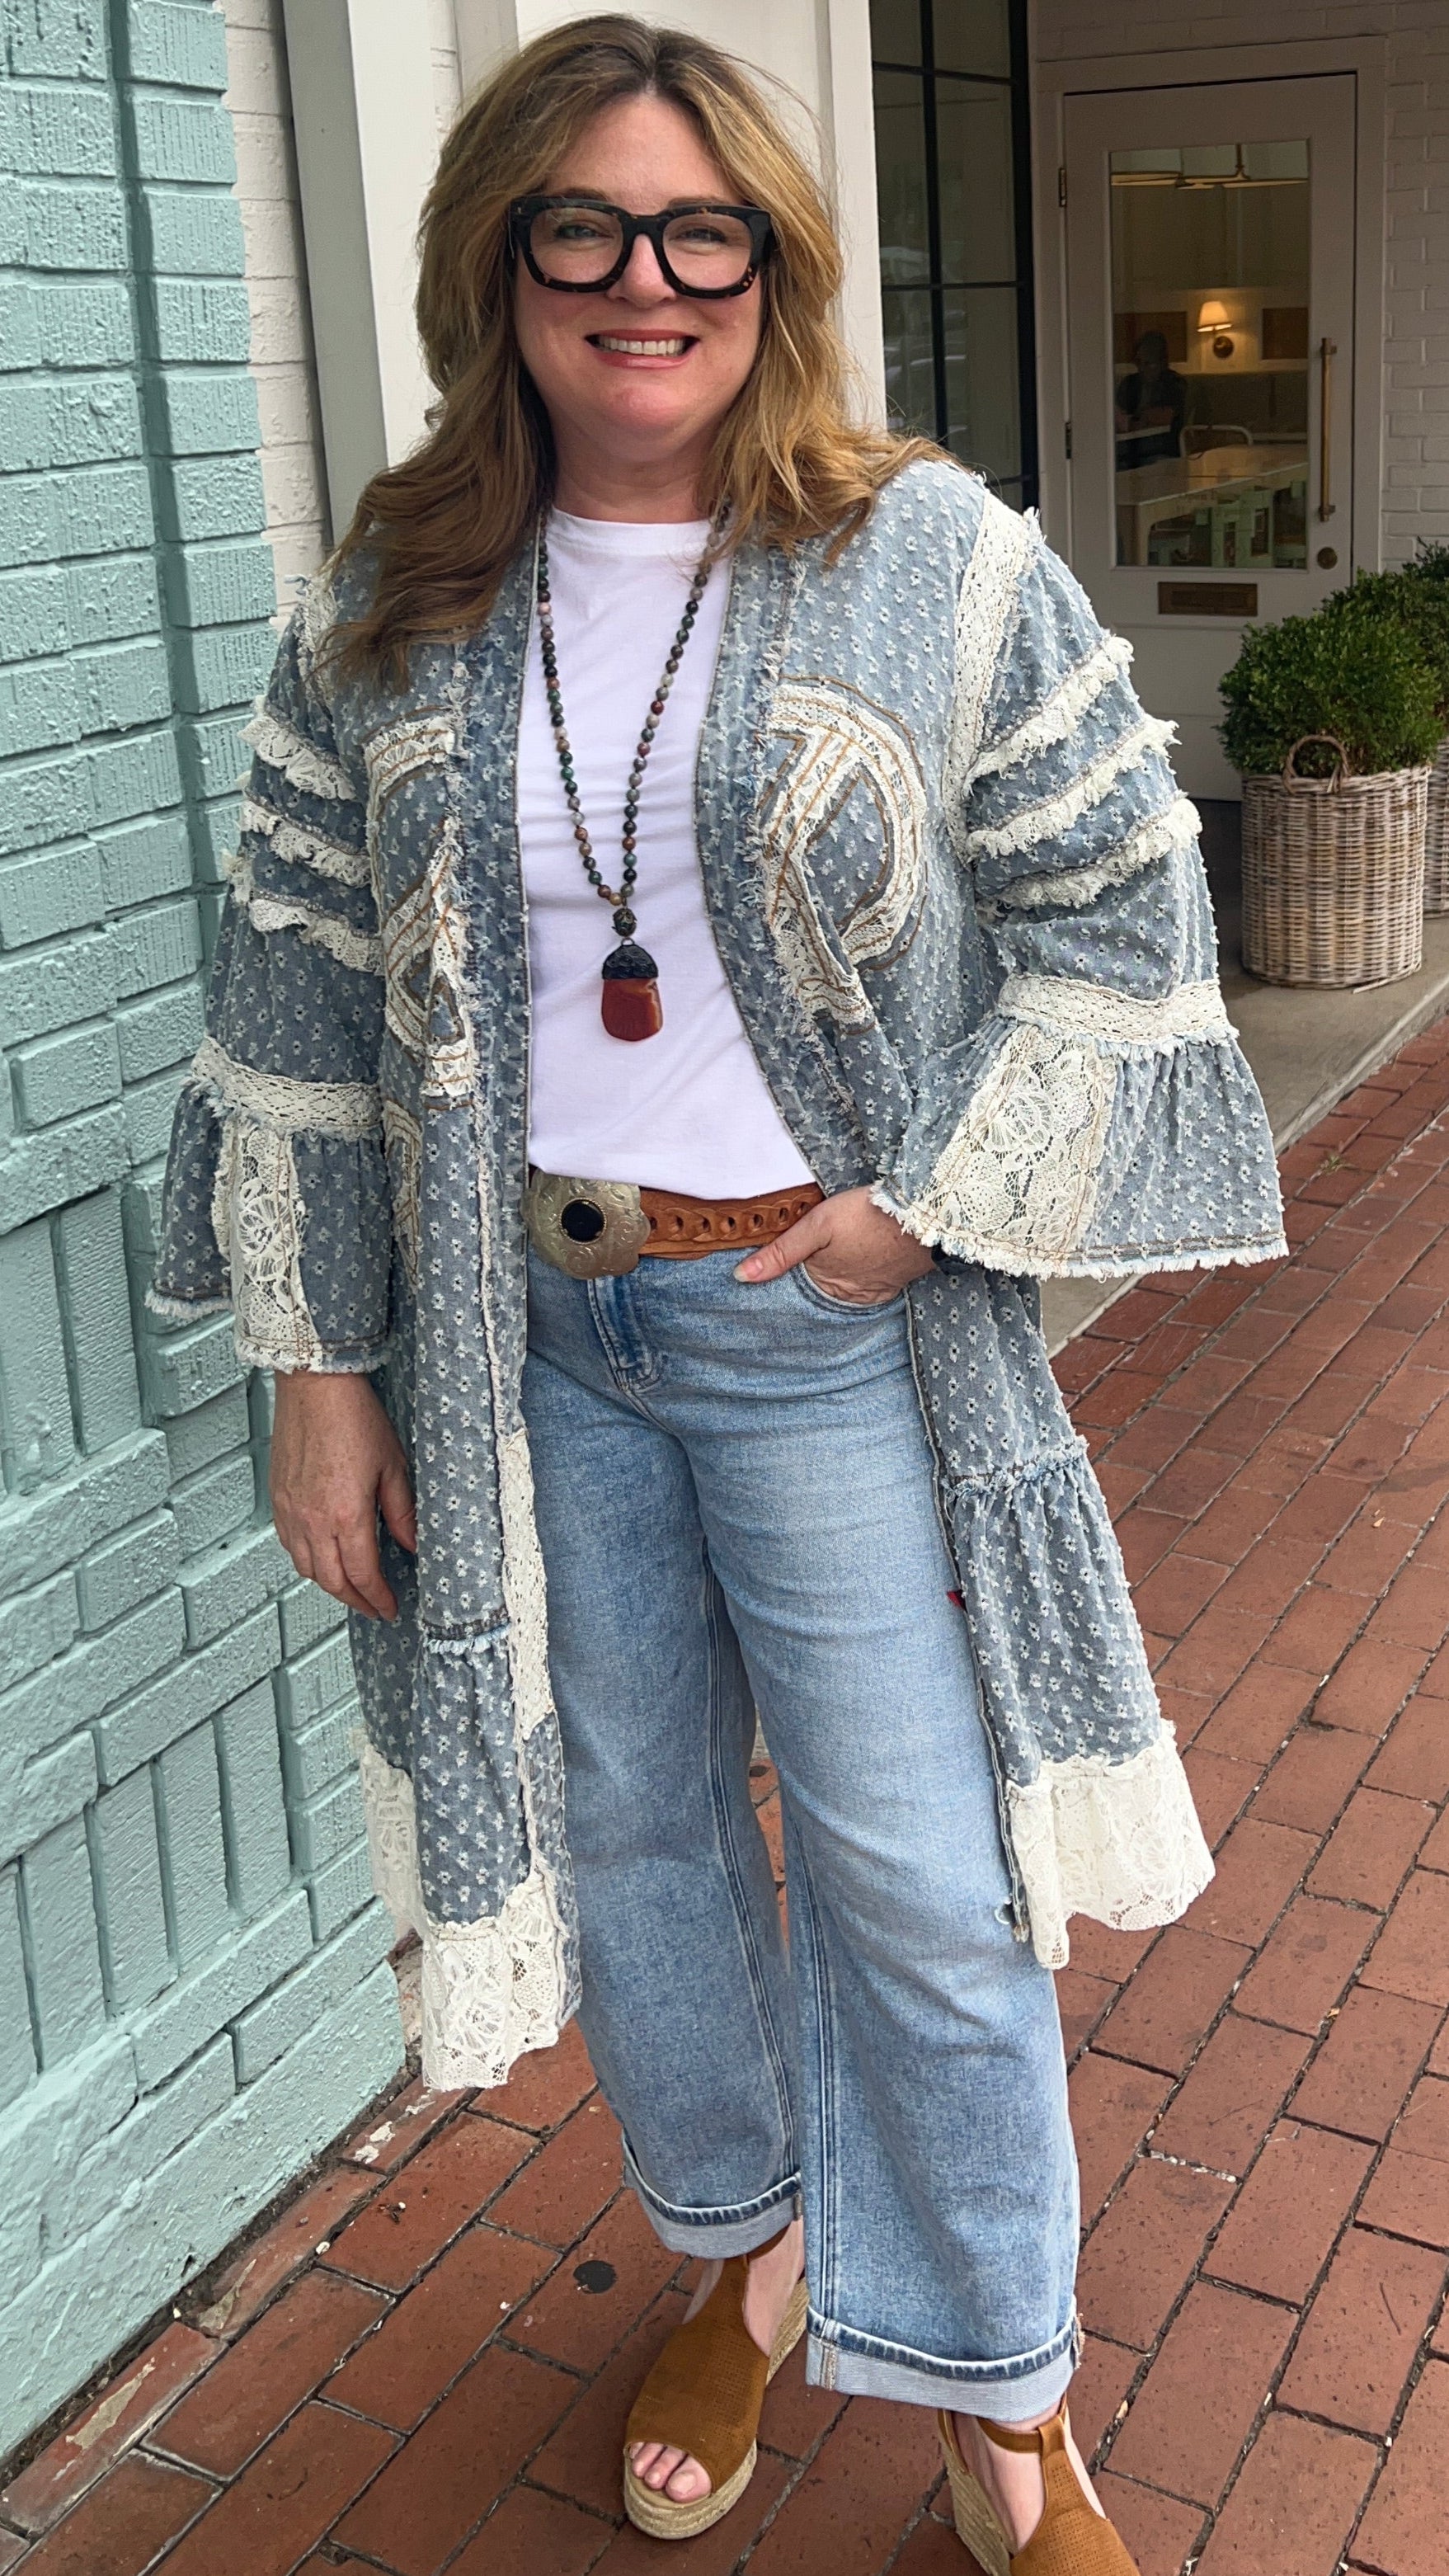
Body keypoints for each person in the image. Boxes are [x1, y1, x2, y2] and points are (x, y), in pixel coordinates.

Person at [151, 17, 1285, 2567]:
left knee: (914, 1865)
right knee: (644, 1836)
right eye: (584, 230)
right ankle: (747, 2263)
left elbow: (1126, 911)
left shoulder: (927, 561)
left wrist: (930, 1200)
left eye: (703, 233)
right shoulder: (394, 590)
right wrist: (324, 1380)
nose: (643, 283)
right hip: (526, 1346)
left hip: (822, 1331)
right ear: (500, 267)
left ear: (770, 267)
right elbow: (301, 1013)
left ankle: (1002, 2390)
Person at [1114, 329, 1188, 469]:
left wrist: (1143, 418)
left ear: (1162, 362)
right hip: (1129, 449)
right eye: (1139, 362)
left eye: (1149, 363)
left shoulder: (1173, 383)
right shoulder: (1130, 383)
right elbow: (1119, 415)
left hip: (1161, 448)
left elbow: (1166, 416)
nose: (1143, 368)